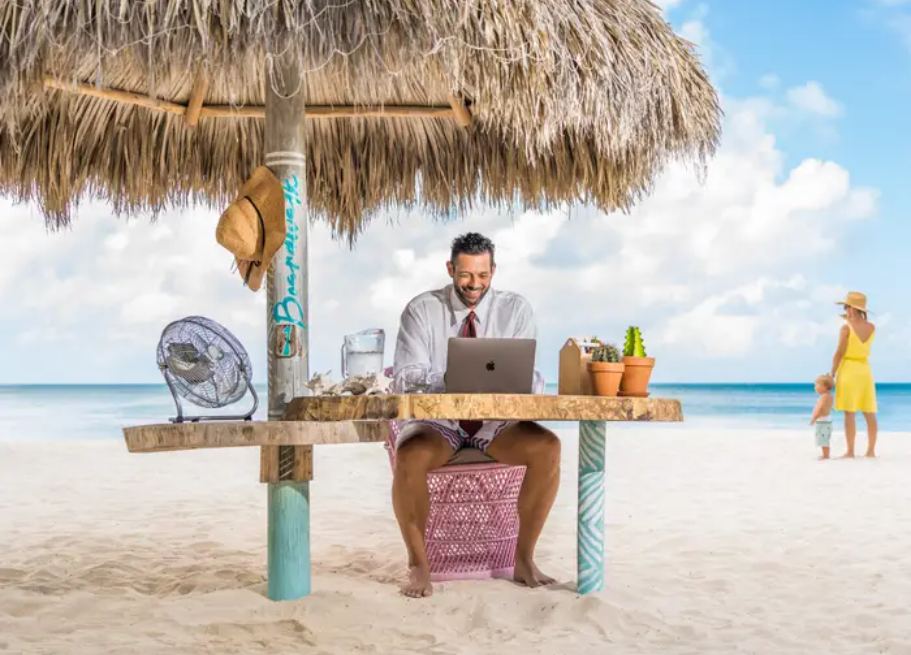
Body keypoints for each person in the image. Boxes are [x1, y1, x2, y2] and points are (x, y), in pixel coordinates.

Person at [391, 232, 561, 598]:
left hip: (495, 426)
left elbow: (530, 376)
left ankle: (524, 559)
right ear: (451, 268)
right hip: (439, 424)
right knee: (409, 454)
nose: (474, 284)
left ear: (493, 270)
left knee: (547, 446)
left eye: (482, 276)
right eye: (466, 275)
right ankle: (419, 566)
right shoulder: (421, 309)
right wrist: (452, 378)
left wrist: (521, 383)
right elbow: (404, 377)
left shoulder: (515, 310)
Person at [829, 291, 878, 458]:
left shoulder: (845, 328)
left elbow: (839, 353)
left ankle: (850, 451)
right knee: (869, 412)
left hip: (849, 369)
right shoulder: (871, 327)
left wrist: (831, 374)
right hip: (865, 370)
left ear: (851, 308)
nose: (845, 309)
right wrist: (851, 318)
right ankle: (870, 451)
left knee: (849, 413)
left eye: (846, 306)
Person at [809, 374, 834, 460]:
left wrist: (813, 418)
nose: (815, 387)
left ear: (824, 387)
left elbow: (820, 409)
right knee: (825, 438)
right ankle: (826, 454)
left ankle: (825, 455)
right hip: (827, 420)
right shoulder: (830, 397)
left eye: (816, 385)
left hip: (822, 421)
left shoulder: (823, 397)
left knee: (823, 439)